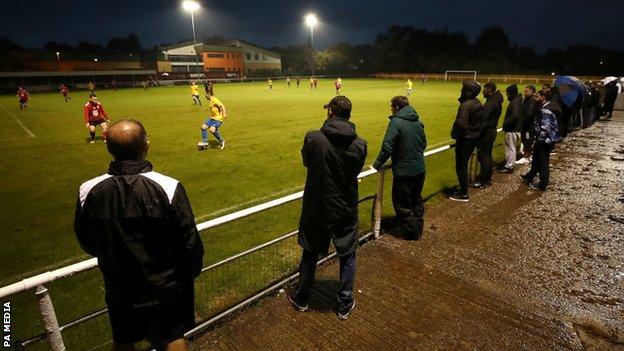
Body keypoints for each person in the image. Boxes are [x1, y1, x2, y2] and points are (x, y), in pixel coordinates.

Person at [75, 119, 203, 351]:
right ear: (146, 146)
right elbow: (189, 242)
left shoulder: (88, 190)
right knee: (173, 335)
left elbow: (86, 240)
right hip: (166, 285)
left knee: (123, 339)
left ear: (108, 148)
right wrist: (187, 276)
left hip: (119, 286)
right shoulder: (169, 186)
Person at [290, 95, 367, 320]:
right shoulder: (360, 144)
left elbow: (307, 161)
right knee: (347, 254)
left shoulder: (314, 138)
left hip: (317, 206)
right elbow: (355, 170)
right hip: (344, 206)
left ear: (331, 113)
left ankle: (302, 298)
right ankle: (344, 304)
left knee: (310, 252)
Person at [372, 96, 426, 240]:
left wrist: (376, 165)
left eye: (392, 106)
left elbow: (387, 147)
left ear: (396, 107)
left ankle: (413, 233)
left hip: (404, 171)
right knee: (416, 200)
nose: (391, 109)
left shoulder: (396, 122)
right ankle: (418, 227)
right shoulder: (418, 121)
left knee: (402, 204)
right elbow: (423, 144)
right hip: (420, 169)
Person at [449, 80, 483, 202]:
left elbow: (461, 124)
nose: (461, 90)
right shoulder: (478, 103)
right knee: (464, 164)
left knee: (461, 166)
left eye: (463, 89)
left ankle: (463, 193)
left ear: (468, 91)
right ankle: (463, 189)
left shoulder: (466, 105)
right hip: (473, 138)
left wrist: (454, 134)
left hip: (465, 139)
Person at [520, 90, 560, 191]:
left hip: (544, 140)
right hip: (548, 139)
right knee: (537, 159)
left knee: (543, 162)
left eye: (537, 97)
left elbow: (545, 127)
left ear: (543, 97)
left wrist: (540, 140)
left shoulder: (545, 110)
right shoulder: (550, 106)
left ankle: (543, 184)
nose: (535, 98)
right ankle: (529, 177)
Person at [474, 82, 503, 188]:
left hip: (486, 133)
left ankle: (483, 181)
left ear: (490, 90)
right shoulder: (496, 101)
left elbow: (484, 121)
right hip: (491, 131)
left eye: (484, 89)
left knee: (484, 157)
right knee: (488, 156)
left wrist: (479, 133)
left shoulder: (490, 103)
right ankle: (487, 178)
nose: (482, 91)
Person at [498, 84, 524, 173]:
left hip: (513, 129)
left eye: (507, 93)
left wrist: (506, 122)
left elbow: (515, 116)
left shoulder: (515, 102)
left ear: (511, 93)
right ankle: (509, 165)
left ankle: (509, 167)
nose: (506, 95)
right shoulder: (518, 100)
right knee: (512, 148)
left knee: (510, 148)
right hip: (516, 129)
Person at [516, 85, 540, 165]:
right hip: (528, 125)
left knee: (527, 141)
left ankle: (526, 157)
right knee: (526, 140)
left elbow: (529, 114)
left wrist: (522, 121)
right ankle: (527, 156)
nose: (524, 92)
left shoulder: (531, 101)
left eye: (526, 91)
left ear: (532, 92)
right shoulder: (528, 100)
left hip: (529, 126)